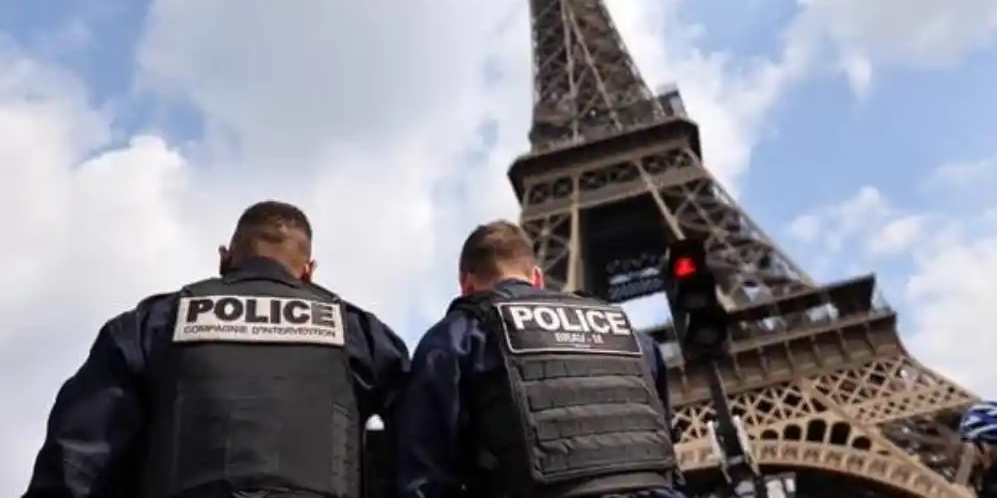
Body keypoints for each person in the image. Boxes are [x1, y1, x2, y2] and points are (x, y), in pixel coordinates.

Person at [23, 200, 410, 498]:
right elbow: (421, 441)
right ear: (309, 271)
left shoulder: (152, 324)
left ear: (225, 257)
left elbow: (77, 457)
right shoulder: (359, 334)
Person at [395, 220, 687, 498]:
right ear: (537, 278)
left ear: (467, 284)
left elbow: (425, 477)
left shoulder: (455, 337)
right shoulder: (635, 339)